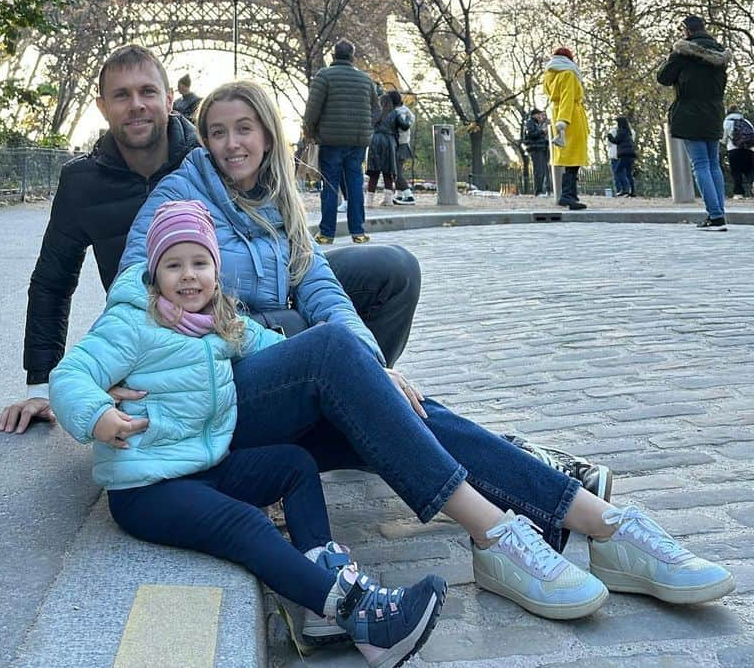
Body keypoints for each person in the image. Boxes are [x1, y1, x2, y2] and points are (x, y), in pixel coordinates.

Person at [115, 80, 734, 622]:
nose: (231, 144)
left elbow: (323, 288)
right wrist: (89, 383)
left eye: (243, 129)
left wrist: (374, 366)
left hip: (268, 393)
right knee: (335, 355)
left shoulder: (276, 204)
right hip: (213, 397)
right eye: (217, 133)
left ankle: (602, 524)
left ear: (269, 136)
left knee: (405, 407)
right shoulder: (178, 199)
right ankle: (495, 533)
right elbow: (127, 294)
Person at [50, 200, 447, 663]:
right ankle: (358, 613)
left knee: (294, 465)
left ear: (216, 272)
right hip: (148, 486)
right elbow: (70, 375)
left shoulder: (223, 323)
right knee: (248, 524)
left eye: (200, 262)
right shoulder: (131, 324)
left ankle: (322, 577)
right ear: (154, 274)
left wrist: (352, 371)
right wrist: (97, 414)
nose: (189, 276)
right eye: (173, 265)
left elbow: (288, 352)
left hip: (206, 465)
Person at [0, 45, 422, 433]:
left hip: (258, 286)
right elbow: (53, 281)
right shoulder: (85, 182)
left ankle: (356, 397)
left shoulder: (210, 156)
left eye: (147, 92)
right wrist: (47, 385)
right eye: (121, 96)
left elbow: (300, 256)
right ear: (102, 107)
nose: (137, 105)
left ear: (169, 99)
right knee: (291, 326)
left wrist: (368, 364)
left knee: (389, 270)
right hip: (174, 317)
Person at [657, 15, 732, 232]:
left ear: (686, 31)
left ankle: (715, 216)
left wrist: (671, 57)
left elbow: (663, 77)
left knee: (700, 164)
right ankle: (720, 213)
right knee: (713, 164)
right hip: (714, 112)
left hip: (690, 113)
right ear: (704, 28)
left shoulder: (682, 53)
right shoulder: (720, 53)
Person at [304, 38, 374, 244]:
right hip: (358, 141)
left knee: (330, 187)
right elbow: (376, 108)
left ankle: (327, 233)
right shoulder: (365, 79)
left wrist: (310, 132)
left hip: (331, 140)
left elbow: (312, 110)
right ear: (353, 57)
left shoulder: (324, 76)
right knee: (354, 185)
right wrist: (367, 129)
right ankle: (358, 232)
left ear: (333, 56)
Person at [542, 48, 590, 213]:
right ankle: (568, 194)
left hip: (557, 113)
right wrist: (564, 121)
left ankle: (571, 194)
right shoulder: (568, 73)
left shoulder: (549, 74)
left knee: (568, 157)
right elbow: (568, 97)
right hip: (571, 116)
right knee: (574, 158)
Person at [365, 90, 397, 207]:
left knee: (374, 173)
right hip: (389, 141)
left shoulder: (375, 112)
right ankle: (388, 200)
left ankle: (369, 201)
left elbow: (369, 124)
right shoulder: (394, 113)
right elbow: (402, 126)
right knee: (388, 172)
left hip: (375, 140)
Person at [721, 105, 754, 200]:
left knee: (736, 172)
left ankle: (738, 193)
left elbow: (723, 139)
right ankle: (753, 182)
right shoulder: (746, 122)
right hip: (749, 149)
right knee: (750, 170)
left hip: (733, 150)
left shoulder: (726, 123)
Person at [389, 90, 416, 204]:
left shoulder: (396, 113)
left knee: (396, 173)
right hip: (405, 144)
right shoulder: (406, 111)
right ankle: (399, 195)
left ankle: (409, 195)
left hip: (398, 145)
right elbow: (411, 120)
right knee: (397, 171)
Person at [522, 109, 551, 197]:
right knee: (538, 171)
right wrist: (542, 131)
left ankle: (541, 190)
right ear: (534, 115)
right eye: (539, 115)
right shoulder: (530, 123)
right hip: (536, 149)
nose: (540, 117)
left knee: (542, 170)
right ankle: (538, 191)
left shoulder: (536, 123)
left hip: (541, 148)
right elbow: (531, 134)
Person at [605, 117, 636, 198]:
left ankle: (624, 189)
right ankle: (632, 191)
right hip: (631, 154)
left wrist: (609, 136)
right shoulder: (628, 132)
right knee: (628, 173)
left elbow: (616, 141)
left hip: (624, 154)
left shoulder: (621, 131)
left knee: (618, 171)